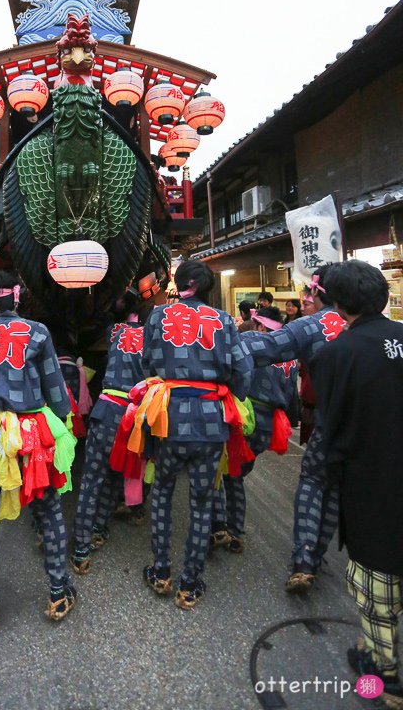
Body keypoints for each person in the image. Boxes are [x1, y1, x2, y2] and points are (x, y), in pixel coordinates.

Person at [0, 270, 77, 639]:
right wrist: (64, 419)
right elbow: (55, 384)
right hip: (30, 431)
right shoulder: (38, 332)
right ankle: (57, 592)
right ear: (17, 297)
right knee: (48, 510)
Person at [314, 261, 403, 705]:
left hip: (372, 482)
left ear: (338, 303)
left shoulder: (336, 354)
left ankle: (385, 675)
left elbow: (331, 430)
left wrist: (333, 478)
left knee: (376, 584)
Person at [140, 259, 253, 611]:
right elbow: (242, 371)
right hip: (209, 420)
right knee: (202, 501)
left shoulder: (158, 316)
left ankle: (160, 571)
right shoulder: (222, 320)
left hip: (168, 417)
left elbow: (148, 363)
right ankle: (190, 583)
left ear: (181, 283)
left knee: (161, 493)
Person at [244, 264, 346, 592]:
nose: (304, 298)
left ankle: (304, 560)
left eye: (309, 291)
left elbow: (263, 349)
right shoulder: (377, 327)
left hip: (331, 424)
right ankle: (317, 554)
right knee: (335, 490)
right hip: (371, 430)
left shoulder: (312, 326)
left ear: (319, 292)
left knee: (313, 483)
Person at [71, 292, 147, 575]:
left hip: (106, 410)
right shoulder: (154, 336)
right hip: (135, 416)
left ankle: (81, 548)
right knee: (118, 472)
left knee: (91, 478)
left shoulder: (113, 331)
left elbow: (98, 319)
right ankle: (100, 528)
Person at [213, 305, 296, 553]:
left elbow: (232, 372)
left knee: (223, 471)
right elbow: (292, 397)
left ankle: (224, 528)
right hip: (270, 423)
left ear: (260, 325)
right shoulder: (290, 355)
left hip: (246, 416)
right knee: (235, 474)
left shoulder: (249, 339)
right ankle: (232, 529)